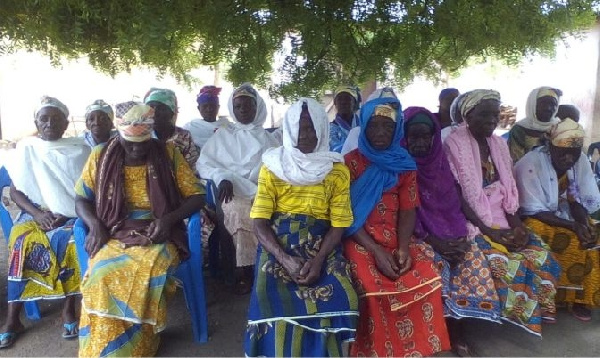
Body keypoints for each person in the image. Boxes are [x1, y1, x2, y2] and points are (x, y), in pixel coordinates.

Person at [74, 104, 204, 357]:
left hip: (159, 232)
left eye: (142, 143)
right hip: (113, 229)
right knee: (101, 274)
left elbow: (197, 197)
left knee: (147, 273)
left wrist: (169, 220)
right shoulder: (101, 154)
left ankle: (138, 345)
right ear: (119, 135)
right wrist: (95, 225)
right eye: (129, 143)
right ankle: (103, 348)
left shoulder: (168, 153)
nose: (136, 149)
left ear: (151, 136)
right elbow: (81, 199)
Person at [246, 98, 358, 357]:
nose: (304, 135)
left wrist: (318, 261)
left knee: (343, 296)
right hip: (279, 242)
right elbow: (259, 221)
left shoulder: (336, 171)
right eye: (298, 128)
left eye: (311, 128)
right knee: (268, 296)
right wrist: (284, 259)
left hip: (322, 241)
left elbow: (339, 223)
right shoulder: (273, 167)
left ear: (322, 128)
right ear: (288, 130)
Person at [444, 89, 560, 336]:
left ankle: (531, 310)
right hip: (471, 221)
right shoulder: (454, 143)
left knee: (541, 256)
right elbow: (458, 197)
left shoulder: (498, 143)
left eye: (495, 114)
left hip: (501, 218)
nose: (492, 120)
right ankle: (460, 327)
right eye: (484, 114)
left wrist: (517, 225)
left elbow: (508, 192)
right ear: (468, 115)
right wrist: (489, 232)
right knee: (507, 264)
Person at [343, 97, 450, 357]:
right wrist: (376, 251)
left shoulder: (404, 164)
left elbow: (407, 209)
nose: (380, 133)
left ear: (396, 129)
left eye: (387, 127)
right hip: (359, 238)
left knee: (429, 276)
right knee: (370, 286)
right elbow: (344, 216)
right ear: (364, 127)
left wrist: (403, 248)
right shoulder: (349, 164)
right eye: (374, 126)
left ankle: (414, 349)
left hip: (396, 238)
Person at [403, 106, 501, 356]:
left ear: (435, 137)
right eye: (413, 135)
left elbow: (454, 205)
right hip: (417, 236)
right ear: (403, 136)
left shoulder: (441, 164)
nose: (420, 142)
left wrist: (460, 238)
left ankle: (457, 328)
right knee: (436, 266)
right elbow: (404, 216)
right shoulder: (400, 165)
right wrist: (436, 242)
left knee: (472, 260)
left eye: (426, 135)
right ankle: (433, 329)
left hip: (451, 232)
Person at [0, 96, 91, 349]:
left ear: (65, 123)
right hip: (35, 213)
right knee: (21, 243)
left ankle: (69, 309)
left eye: (56, 119)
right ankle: (12, 319)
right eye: (44, 118)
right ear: (36, 122)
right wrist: (39, 215)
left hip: (71, 213)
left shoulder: (80, 149)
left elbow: (86, 191)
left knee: (70, 241)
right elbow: (16, 192)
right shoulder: (27, 149)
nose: (49, 123)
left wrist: (65, 210)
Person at [515, 118, 600, 321]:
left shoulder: (579, 162)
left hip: (564, 215)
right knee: (540, 233)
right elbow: (531, 209)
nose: (569, 157)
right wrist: (573, 226)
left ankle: (580, 298)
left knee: (592, 237)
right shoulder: (531, 163)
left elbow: (577, 200)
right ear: (551, 147)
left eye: (575, 152)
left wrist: (582, 224)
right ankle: (549, 299)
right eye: (564, 152)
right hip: (534, 217)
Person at [198, 83, 279, 294]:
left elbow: (277, 166)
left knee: (271, 212)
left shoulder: (268, 138)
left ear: (257, 107)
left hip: (264, 189)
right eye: (238, 105)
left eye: (248, 105)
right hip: (233, 190)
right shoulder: (224, 135)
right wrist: (222, 176)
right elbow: (206, 163)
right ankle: (245, 271)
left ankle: (269, 268)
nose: (243, 109)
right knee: (239, 211)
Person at [144, 88, 200, 169]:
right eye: (151, 107)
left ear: (171, 113)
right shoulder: (143, 134)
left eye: (161, 108)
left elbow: (192, 166)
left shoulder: (184, 136)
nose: (155, 112)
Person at [507, 86, 562, 163]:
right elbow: (517, 161)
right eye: (543, 103)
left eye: (553, 104)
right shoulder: (519, 129)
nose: (548, 108)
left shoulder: (560, 128)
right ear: (533, 104)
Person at [340, 87, 398, 156]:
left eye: (388, 125)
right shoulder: (356, 135)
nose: (380, 133)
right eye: (373, 126)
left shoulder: (404, 158)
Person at [183, 85, 232, 150]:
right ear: (198, 108)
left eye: (212, 106)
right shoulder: (190, 128)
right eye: (205, 106)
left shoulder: (228, 127)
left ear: (218, 107)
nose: (209, 109)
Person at [329, 85, 361, 152]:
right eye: (339, 99)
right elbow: (335, 151)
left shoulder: (364, 125)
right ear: (335, 103)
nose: (343, 102)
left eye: (347, 98)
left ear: (354, 102)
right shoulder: (330, 129)